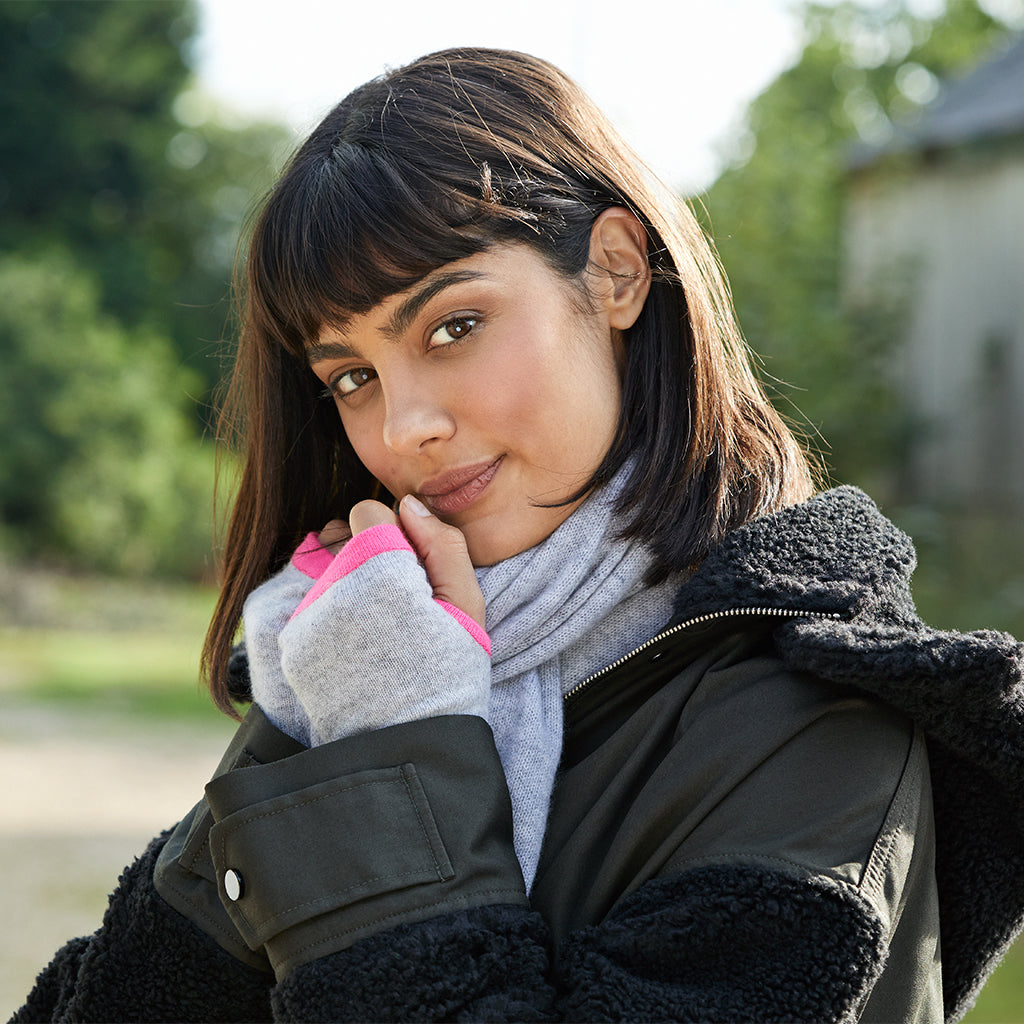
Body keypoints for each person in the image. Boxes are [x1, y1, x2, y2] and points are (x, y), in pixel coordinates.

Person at [14, 47, 1024, 1024]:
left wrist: (395, 767)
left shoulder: (812, 730)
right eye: (351, 377)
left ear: (618, 272)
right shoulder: (376, 655)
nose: (403, 427)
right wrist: (308, 728)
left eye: (452, 326)